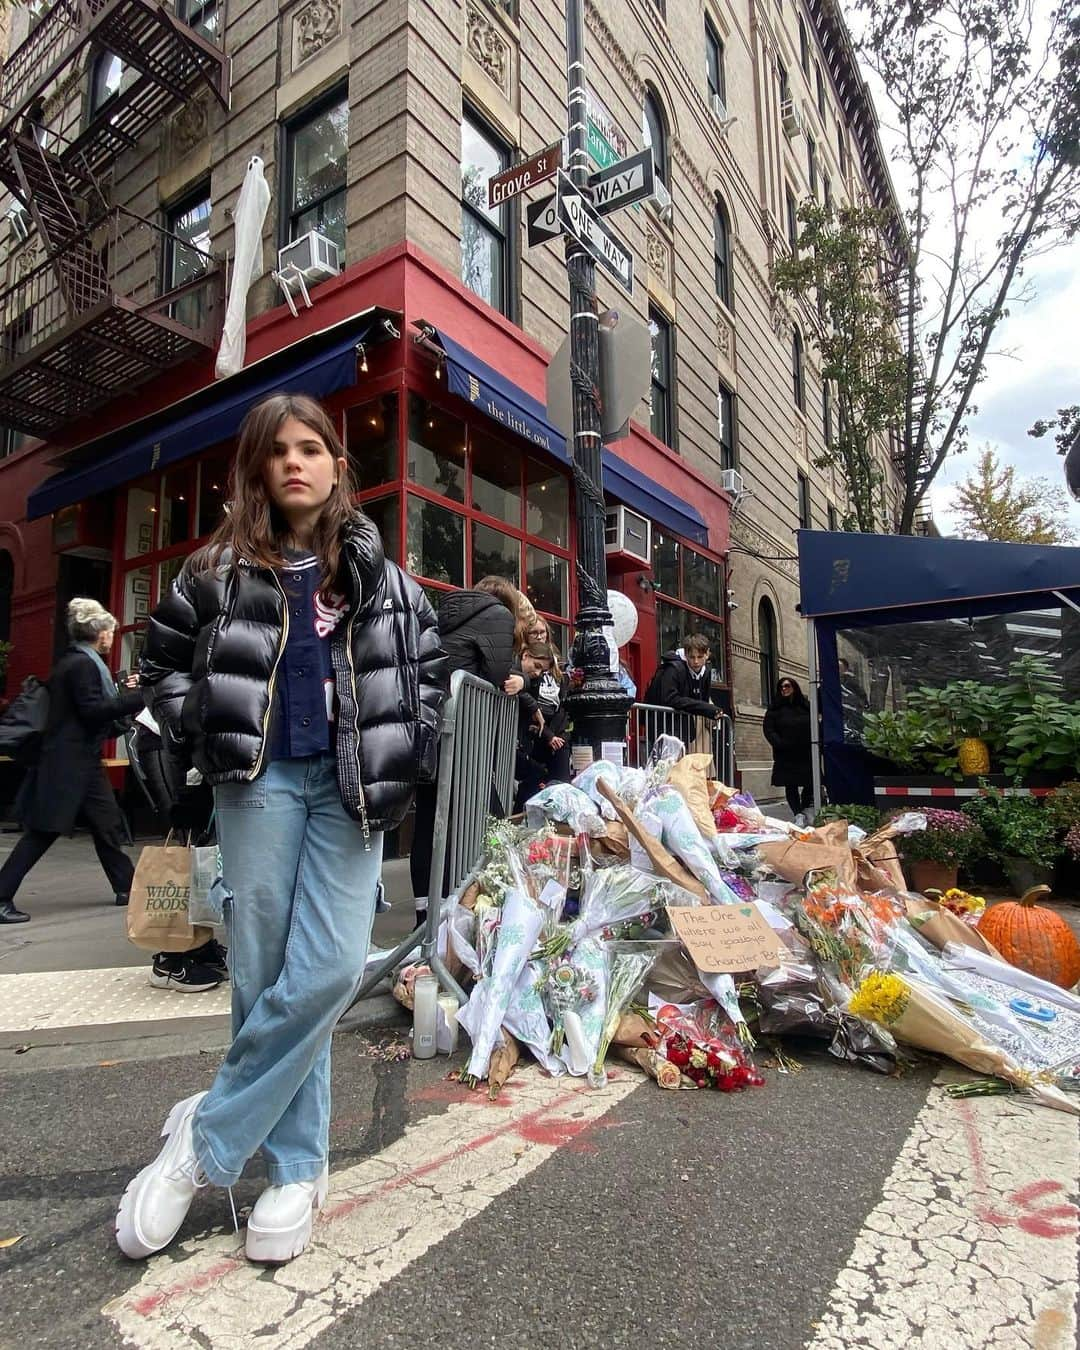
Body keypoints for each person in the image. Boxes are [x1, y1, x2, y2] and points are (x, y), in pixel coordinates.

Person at [115, 392, 447, 1266]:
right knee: (262, 972)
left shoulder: (380, 573)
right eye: (279, 451)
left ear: (338, 463)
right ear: (258, 468)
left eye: (312, 447)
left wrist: (414, 744)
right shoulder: (216, 569)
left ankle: (204, 1141)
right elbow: (157, 665)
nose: (296, 462)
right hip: (257, 785)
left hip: (349, 793)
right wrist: (202, 724)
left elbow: (432, 668)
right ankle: (298, 1169)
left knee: (332, 966)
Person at [0, 598, 143, 924]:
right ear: (97, 633)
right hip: (66, 764)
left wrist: (127, 698)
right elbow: (93, 711)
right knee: (42, 832)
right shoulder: (81, 665)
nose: (111, 636)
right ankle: (1, 895)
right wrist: (139, 698)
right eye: (109, 630)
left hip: (81, 762)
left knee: (107, 823)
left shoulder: (80, 662)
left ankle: (127, 887)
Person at [409, 574, 525, 925]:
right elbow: (500, 676)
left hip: (430, 725)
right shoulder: (499, 617)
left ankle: (426, 915)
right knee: (488, 820)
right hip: (465, 734)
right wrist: (525, 679)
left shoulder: (444, 613)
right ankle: (465, 908)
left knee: (430, 821)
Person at [132, 706, 225, 993]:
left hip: (191, 739)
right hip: (171, 736)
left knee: (199, 852)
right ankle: (169, 960)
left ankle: (196, 945)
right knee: (184, 853)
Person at [644, 633, 724, 749]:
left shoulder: (706, 672)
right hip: (663, 727)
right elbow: (670, 698)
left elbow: (703, 699)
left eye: (700, 657)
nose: (696, 661)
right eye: (692, 657)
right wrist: (705, 708)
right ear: (686, 655)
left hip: (683, 727)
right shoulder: (673, 668)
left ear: (707, 654)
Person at [522, 616, 571, 787]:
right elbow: (526, 702)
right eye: (533, 632)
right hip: (535, 728)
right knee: (535, 778)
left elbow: (563, 702)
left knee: (561, 779)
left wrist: (559, 735)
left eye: (542, 632)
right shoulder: (525, 661)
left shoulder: (556, 661)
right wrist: (548, 735)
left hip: (555, 725)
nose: (539, 636)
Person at [512, 639, 558, 810]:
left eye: (542, 670)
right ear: (525, 655)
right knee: (535, 772)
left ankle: (515, 818)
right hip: (503, 739)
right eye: (536, 665)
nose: (538, 673)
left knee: (536, 773)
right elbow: (509, 684)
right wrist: (533, 706)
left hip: (517, 739)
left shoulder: (533, 681)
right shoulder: (513, 667)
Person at [763, 676, 814, 822]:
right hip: (786, 753)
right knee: (790, 784)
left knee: (810, 782)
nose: (784, 690)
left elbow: (815, 724)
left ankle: (804, 810)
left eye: (787, 686)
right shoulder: (775, 708)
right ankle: (797, 813)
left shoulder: (806, 706)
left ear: (794, 687)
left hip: (805, 752)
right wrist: (779, 743)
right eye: (781, 687)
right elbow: (768, 729)